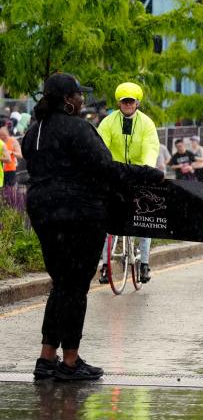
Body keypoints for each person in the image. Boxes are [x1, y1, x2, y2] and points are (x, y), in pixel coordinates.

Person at [23, 73, 164, 381]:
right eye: (78, 95)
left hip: (43, 211)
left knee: (61, 283)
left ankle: (47, 358)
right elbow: (106, 168)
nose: (83, 99)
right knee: (75, 286)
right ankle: (71, 362)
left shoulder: (33, 133)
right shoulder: (78, 129)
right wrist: (146, 174)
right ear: (67, 101)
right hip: (79, 213)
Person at [96, 82, 161, 285]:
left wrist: (147, 169)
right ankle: (105, 266)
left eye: (131, 101)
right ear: (118, 103)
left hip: (139, 172)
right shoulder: (108, 122)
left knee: (145, 218)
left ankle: (144, 264)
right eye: (124, 101)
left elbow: (150, 147)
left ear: (137, 103)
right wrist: (103, 167)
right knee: (106, 223)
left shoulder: (146, 123)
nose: (127, 105)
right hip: (115, 173)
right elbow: (101, 146)